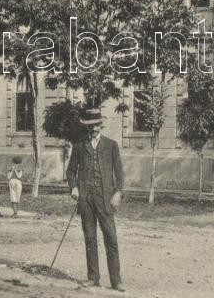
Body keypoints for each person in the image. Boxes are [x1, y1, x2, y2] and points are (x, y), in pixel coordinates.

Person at [66, 107, 125, 292]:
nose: (93, 129)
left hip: (105, 198)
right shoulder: (79, 146)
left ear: (101, 125)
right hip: (85, 199)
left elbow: (119, 171)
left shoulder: (111, 145)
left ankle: (116, 281)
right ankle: (93, 277)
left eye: (96, 125)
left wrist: (118, 192)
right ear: (87, 127)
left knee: (111, 238)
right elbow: (70, 171)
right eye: (90, 126)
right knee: (90, 239)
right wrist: (74, 187)